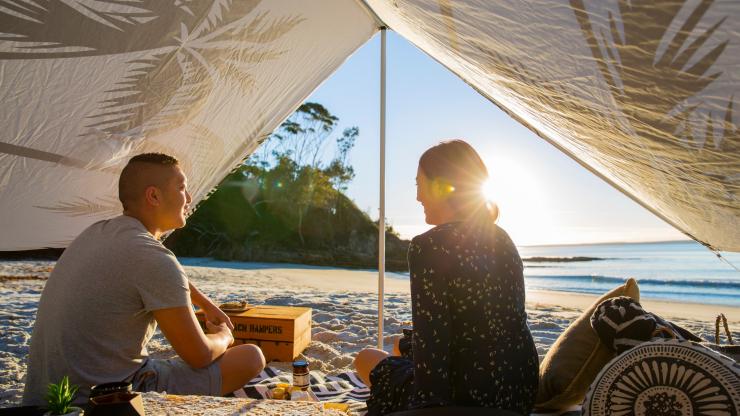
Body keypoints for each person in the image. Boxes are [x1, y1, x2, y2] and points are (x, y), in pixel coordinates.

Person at [23, 153, 265, 405]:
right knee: (250, 357)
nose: (189, 198)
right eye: (182, 188)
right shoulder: (153, 259)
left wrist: (203, 302)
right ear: (154, 196)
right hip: (100, 401)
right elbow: (200, 356)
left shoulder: (98, 232)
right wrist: (225, 336)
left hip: (45, 397)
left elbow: (153, 270)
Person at [354, 140, 538, 415]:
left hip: (466, 395)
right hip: (518, 388)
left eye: (419, 184)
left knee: (366, 358)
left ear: (440, 187)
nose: (417, 197)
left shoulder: (428, 245)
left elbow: (433, 343)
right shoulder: (502, 238)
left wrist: (423, 403)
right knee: (398, 343)